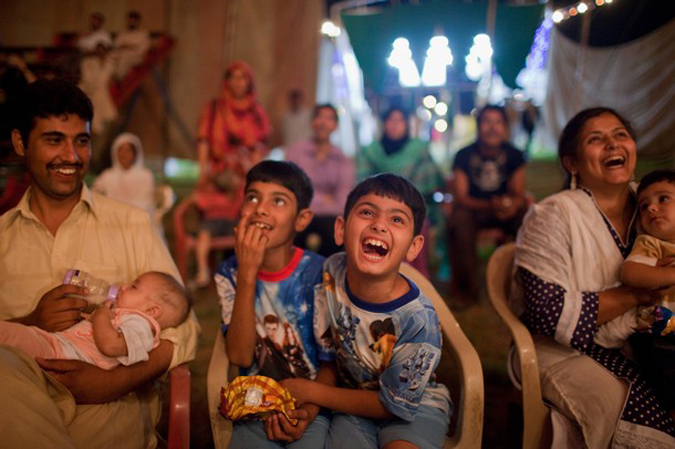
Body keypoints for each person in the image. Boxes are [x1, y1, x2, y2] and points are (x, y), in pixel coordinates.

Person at [0, 79, 199, 448]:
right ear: (19, 143)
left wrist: (113, 382)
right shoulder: (2, 238)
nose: (72, 157)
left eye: (82, 141)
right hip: (16, 396)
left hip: (109, 404)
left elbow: (184, 327)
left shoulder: (130, 223)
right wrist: (30, 323)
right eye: (54, 139)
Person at [514, 107, 675, 447]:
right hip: (565, 351)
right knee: (650, 428)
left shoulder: (654, 202)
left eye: (620, 135)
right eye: (596, 139)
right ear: (572, 163)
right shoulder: (552, 216)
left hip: (653, 345)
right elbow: (547, 313)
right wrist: (637, 293)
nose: (612, 145)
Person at [282, 174, 452, 449]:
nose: (379, 225)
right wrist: (312, 404)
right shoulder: (331, 273)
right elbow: (329, 357)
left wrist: (312, 392)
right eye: (366, 212)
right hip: (350, 401)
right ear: (340, 229)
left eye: (397, 219)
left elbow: (393, 406)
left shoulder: (419, 320)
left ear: (413, 247)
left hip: (413, 409)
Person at [215, 160, 331, 447]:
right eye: (253, 197)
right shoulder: (229, 273)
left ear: (302, 220)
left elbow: (332, 362)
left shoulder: (320, 274)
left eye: (278, 200)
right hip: (253, 409)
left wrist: (310, 410)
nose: (261, 209)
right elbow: (241, 357)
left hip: (311, 406)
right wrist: (247, 273)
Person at [0, 271, 190, 370]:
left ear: (152, 310)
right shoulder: (123, 318)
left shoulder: (140, 325)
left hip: (60, 354)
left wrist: (100, 316)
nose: (123, 286)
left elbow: (111, 346)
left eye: (133, 286)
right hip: (59, 349)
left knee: (10, 335)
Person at [190, 60, 270, 289]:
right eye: (233, 77)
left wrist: (252, 173)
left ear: (249, 81)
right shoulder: (215, 108)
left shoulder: (256, 112)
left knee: (246, 217)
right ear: (227, 81)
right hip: (218, 176)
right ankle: (207, 271)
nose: (237, 82)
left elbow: (260, 146)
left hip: (244, 176)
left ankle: (245, 271)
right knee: (211, 215)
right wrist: (203, 172)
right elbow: (204, 140)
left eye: (242, 77)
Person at [449, 104, 527, 304]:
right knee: (459, 220)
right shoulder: (464, 155)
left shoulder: (514, 155)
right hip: (475, 210)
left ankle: (523, 286)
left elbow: (519, 193)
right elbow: (462, 197)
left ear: (505, 127)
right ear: (478, 126)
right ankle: (468, 290)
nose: (493, 128)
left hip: (504, 211)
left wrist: (512, 204)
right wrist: (490, 205)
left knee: (527, 216)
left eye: (498, 122)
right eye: (487, 122)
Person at [358, 107, 444, 276]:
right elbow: (362, 185)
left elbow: (430, 184)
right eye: (391, 120)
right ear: (384, 124)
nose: (395, 125)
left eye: (400, 120)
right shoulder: (370, 152)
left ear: (407, 125)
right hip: (377, 208)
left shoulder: (419, 150)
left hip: (415, 208)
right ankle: (379, 278)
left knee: (416, 226)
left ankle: (415, 281)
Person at [286, 104, 355, 257]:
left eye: (329, 118)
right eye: (320, 117)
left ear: (335, 125)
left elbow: (342, 201)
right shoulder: (295, 153)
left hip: (329, 218)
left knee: (337, 234)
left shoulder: (343, 159)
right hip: (300, 213)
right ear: (312, 122)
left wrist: (313, 200)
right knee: (292, 233)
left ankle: (330, 276)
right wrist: (325, 199)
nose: (324, 122)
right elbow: (293, 191)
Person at [92, 133, 158, 234]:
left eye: (128, 150)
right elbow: (95, 197)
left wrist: (125, 215)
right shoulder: (107, 176)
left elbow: (146, 204)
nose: (124, 154)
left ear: (135, 153)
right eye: (120, 150)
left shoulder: (145, 176)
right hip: (110, 224)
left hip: (137, 225)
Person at [112, 10, 151, 79]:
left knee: (124, 57)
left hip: (136, 56)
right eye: (130, 21)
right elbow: (116, 45)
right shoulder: (122, 33)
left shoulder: (143, 34)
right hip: (120, 53)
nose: (132, 23)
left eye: (134, 21)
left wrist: (129, 46)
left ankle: (120, 80)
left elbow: (144, 48)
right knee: (110, 57)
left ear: (138, 22)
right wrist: (124, 47)